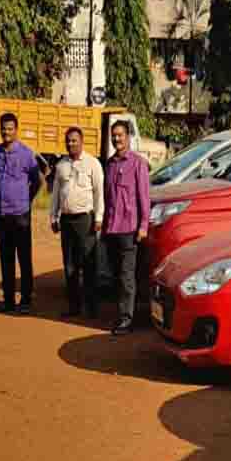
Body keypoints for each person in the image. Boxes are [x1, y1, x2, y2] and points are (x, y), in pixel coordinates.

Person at [49, 126, 104, 318]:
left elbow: (99, 192)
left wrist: (99, 217)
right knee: (70, 265)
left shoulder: (93, 163)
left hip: (85, 219)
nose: (71, 143)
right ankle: (74, 306)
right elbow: (55, 193)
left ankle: (92, 307)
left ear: (81, 141)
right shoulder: (61, 165)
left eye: (74, 140)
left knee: (89, 263)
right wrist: (53, 217)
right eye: (68, 141)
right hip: (66, 220)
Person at [0, 113, 42, 315]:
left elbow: (37, 180)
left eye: (10, 128)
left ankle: (26, 300)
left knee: (24, 257)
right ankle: (9, 300)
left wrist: (26, 199)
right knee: (5, 257)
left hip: (20, 214)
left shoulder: (27, 154)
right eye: (3, 128)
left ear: (16, 130)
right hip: (1, 214)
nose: (6, 132)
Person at [102, 120, 150, 335]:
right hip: (111, 228)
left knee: (127, 276)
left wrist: (143, 225)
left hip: (130, 228)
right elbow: (107, 197)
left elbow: (144, 197)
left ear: (128, 137)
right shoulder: (110, 164)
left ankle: (126, 320)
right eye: (114, 135)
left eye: (120, 135)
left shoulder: (138, 163)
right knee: (115, 275)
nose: (116, 139)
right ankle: (123, 313)